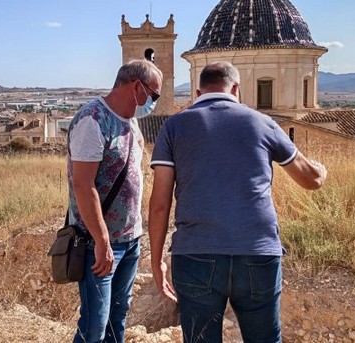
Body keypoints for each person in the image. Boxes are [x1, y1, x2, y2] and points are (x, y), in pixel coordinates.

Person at [148, 61, 327, 343]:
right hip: (257, 252)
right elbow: (311, 180)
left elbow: (159, 203)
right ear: (236, 89)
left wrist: (156, 259)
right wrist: (321, 170)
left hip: (195, 254)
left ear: (197, 91)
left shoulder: (174, 126)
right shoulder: (263, 122)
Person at [67, 59, 162, 342]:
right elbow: (83, 186)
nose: (154, 102)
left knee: (117, 320)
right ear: (137, 87)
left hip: (130, 240)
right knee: (94, 325)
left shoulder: (130, 121)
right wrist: (102, 241)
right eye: (154, 95)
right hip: (99, 243)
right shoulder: (92, 120)